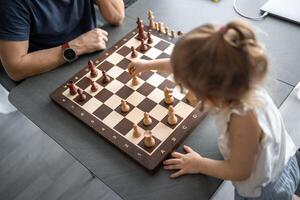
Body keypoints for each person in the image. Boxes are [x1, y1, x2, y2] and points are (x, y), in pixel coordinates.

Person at [129, 20, 300, 199]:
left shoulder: (241, 119)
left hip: (265, 190)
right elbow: (184, 66)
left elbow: (240, 171)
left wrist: (199, 164)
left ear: (210, 91)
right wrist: (146, 65)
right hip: (282, 159)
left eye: (189, 87)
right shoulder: (239, 78)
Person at [0, 0, 125, 81]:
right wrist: (75, 47)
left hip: (93, 51)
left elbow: (116, 16)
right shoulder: (10, 4)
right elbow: (15, 68)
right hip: (48, 71)